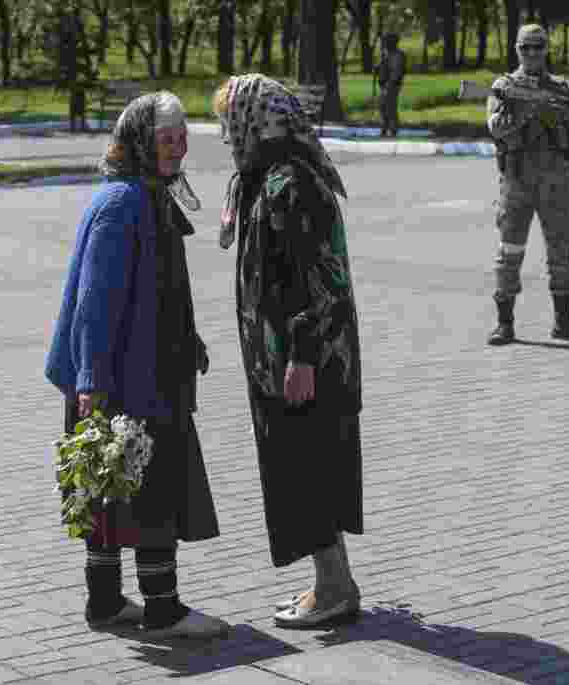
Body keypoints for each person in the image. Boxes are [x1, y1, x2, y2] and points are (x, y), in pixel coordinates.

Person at [44, 92, 227, 639]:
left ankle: (105, 604)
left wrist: (187, 337)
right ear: (140, 142)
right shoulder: (123, 203)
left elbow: (160, 287)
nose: (177, 148)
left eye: (182, 138)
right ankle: (163, 609)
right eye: (166, 139)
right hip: (122, 381)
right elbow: (94, 303)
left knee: (112, 486)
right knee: (146, 487)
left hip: (140, 371)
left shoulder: (148, 194)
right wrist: (92, 383)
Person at [214, 74, 363, 628]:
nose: (227, 133)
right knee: (303, 470)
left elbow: (323, 280)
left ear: (259, 120)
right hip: (282, 360)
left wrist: (301, 355)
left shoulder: (290, 184)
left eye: (233, 119)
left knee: (310, 469)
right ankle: (334, 581)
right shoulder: (263, 178)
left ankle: (333, 591)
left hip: (308, 362)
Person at [486, 24, 569, 346]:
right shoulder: (504, 86)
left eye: (538, 47)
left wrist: (557, 112)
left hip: (556, 183)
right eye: (525, 47)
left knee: (560, 253)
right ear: (516, 49)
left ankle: (563, 322)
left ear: (547, 49)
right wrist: (526, 111)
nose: (532, 53)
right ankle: (505, 324)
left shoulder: (563, 88)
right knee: (509, 253)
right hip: (518, 183)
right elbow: (495, 128)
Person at [377, 33, 407, 138]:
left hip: (391, 85)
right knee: (382, 106)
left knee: (390, 107)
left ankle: (392, 129)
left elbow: (396, 71)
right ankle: (384, 128)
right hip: (385, 84)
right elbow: (384, 66)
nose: (384, 44)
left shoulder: (398, 55)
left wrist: (389, 84)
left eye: (386, 41)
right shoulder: (387, 54)